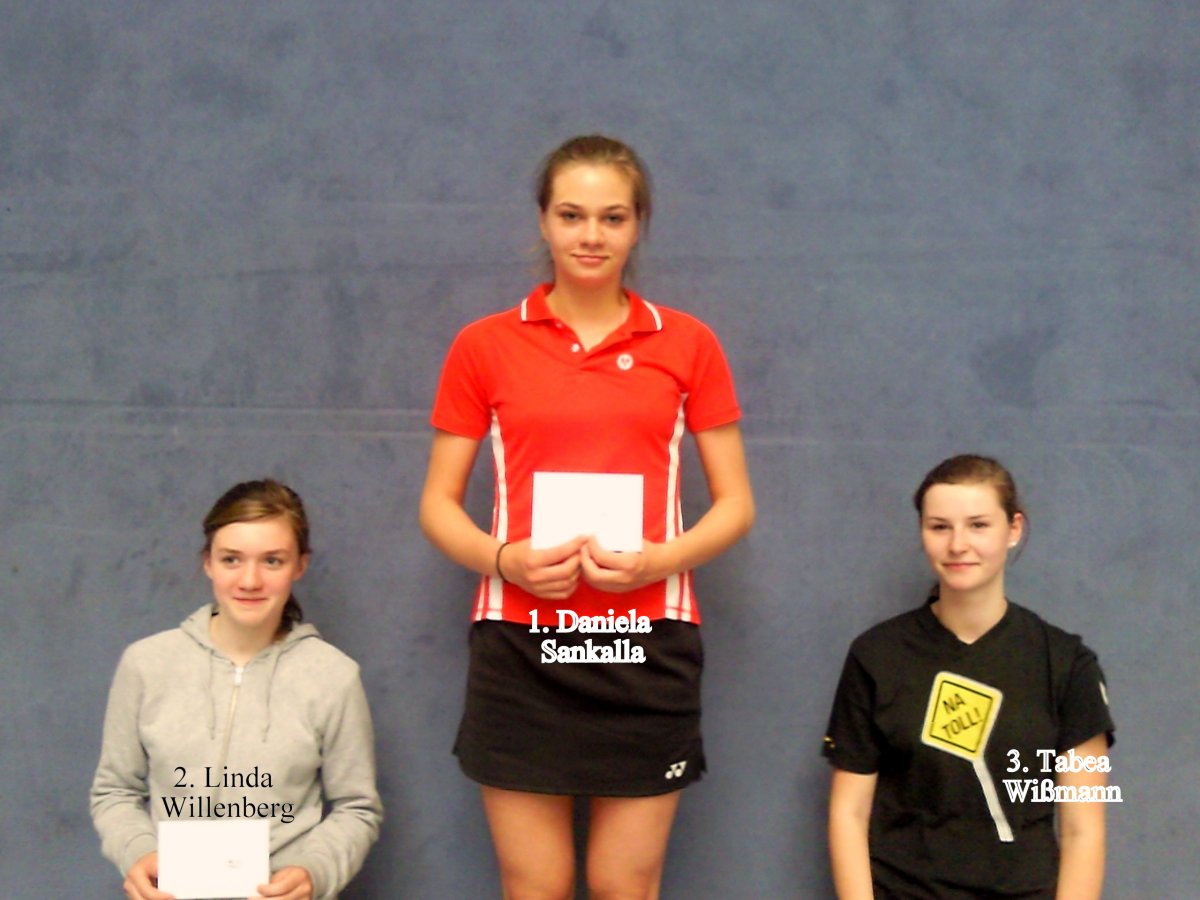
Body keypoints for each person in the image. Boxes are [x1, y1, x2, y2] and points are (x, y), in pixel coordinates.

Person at [419, 134, 754, 899]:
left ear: (638, 225)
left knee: (621, 884)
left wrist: (659, 561)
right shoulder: (483, 345)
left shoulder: (689, 344)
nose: (591, 235)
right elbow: (437, 504)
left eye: (613, 217)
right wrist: (504, 560)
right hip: (520, 642)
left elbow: (736, 504)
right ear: (543, 221)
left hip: (649, 643)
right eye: (572, 215)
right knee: (535, 884)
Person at [823, 455, 1115, 899]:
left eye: (978, 525)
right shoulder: (875, 656)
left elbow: (1084, 828)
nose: (958, 544)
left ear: (1013, 529)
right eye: (940, 527)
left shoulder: (1069, 665)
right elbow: (849, 813)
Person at [90, 479, 383, 900]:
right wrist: (139, 853)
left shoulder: (333, 677)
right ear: (207, 562)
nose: (250, 580)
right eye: (231, 559)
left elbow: (357, 807)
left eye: (272, 561)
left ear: (300, 566)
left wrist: (314, 871)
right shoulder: (146, 665)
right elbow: (114, 791)